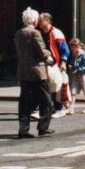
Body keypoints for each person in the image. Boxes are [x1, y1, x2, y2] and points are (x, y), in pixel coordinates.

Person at [15, 7, 55, 138]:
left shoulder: (19, 33)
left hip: (24, 72)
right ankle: (43, 128)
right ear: (34, 20)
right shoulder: (35, 33)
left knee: (25, 101)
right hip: (38, 72)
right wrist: (49, 56)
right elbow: (42, 51)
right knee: (46, 101)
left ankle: (23, 129)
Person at [38, 13, 70, 119]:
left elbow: (64, 49)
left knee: (58, 87)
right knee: (48, 87)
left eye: (41, 20)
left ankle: (60, 109)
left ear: (48, 20)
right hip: (45, 64)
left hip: (56, 65)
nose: (39, 22)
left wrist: (63, 62)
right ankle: (52, 108)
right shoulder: (40, 33)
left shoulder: (56, 33)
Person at [67, 38, 85, 115]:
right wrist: (71, 66)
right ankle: (71, 107)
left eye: (73, 48)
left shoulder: (84, 55)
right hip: (75, 75)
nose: (72, 50)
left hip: (84, 75)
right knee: (73, 91)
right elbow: (73, 63)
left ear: (78, 46)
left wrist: (78, 69)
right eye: (71, 48)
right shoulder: (74, 54)